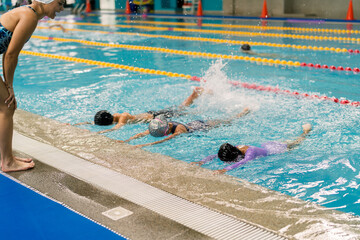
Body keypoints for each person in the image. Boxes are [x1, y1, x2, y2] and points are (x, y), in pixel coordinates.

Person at [0, 0, 65, 172]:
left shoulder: (27, 12)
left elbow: (7, 51)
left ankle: (7, 156)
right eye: (60, 3)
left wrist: (7, 84)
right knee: (7, 106)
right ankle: (7, 162)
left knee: (6, 106)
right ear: (48, 1)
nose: (62, 8)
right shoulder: (29, 17)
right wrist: (10, 86)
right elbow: (11, 55)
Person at [73, 86, 207, 134]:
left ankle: (194, 94)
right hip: (153, 115)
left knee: (183, 109)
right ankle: (194, 94)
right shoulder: (116, 116)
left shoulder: (123, 117)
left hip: (156, 116)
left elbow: (117, 128)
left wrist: (100, 133)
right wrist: (81, 125)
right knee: (181, 109)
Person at [191, 123, 312, 175]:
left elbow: (243, 162)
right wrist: (203, 161)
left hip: (277, 150)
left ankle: (305, 132)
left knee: (296, 143)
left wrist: (225, 169)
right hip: (267, 145)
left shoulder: (251, 152)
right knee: (290, 141)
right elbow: (215, 155)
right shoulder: (236, 148)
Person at [120, 107, 250, 148]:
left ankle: (242, 113)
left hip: (202, 127)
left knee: (228, 121)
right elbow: (143, 133)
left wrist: (145, 145)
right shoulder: (165, 123)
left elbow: (166, 140)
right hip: (193, 123)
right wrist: (127, 141)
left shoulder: (179, 130)